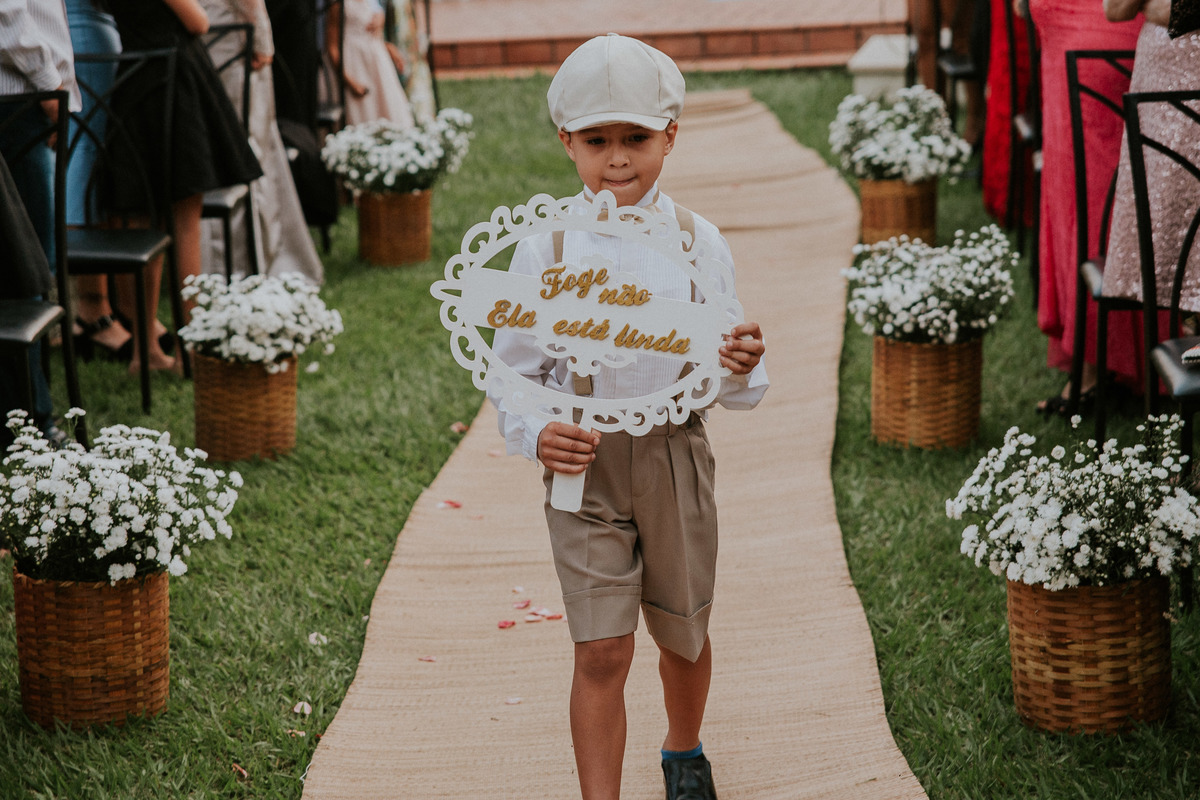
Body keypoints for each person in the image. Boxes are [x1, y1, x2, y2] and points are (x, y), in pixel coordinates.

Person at [488, 34, 767, 800]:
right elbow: (513, 371)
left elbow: (733, 376)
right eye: (597, 141)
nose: (617, 159)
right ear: (565, 143)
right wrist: (534, 430)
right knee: (601, 649)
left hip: (674, 458)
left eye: (637, 139)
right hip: (584, 469)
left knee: (682, 631)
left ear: (670, 136)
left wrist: (740, 363)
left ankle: (683, 750)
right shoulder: (544, 247)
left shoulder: (698, 244)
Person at [103, 0, 263, 372]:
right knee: (183, 222)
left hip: (135, 79)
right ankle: (190, 347)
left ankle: (145, 350)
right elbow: (198, 21)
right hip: (172, 81)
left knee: (146, 223)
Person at [1029, 0, 1143, 415]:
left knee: (1095, 202)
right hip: (1076, 41)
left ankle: (1099, 367)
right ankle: (1106, 359)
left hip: (1098, 41)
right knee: (1086, 197)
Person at [197, 0, 325, 283]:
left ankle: (214, 263)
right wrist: (264, 40)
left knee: (220, 147)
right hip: (230, 34)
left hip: (200, 33)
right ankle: (246, 259)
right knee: (246, 144)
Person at [0, 0, 78, 442]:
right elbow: (7, 13)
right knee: (26, 269)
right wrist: (50, 86)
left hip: (24, 94)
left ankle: (27, 414)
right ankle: (32, 422)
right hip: (17, 96)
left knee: (27, 269)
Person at [1100, 1, 1200, 326]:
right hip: (1157, 86)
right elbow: (1115, 7)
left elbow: (1182, 10)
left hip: (1188, 86)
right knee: (1170, 241)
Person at [65, 0, 133, 362]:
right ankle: (90, 308)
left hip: (92, 31)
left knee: (90, 163)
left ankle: (95, 305)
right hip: (81, 31)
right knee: (83, 165)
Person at [325, 0, 414, 128]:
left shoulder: (372, 2)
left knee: (386, 108)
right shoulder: (338, 4)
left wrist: (389, 48)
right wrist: (349, 81)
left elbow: (375, 36)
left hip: (377, 65)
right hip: (353, 65)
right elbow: (332, 47)